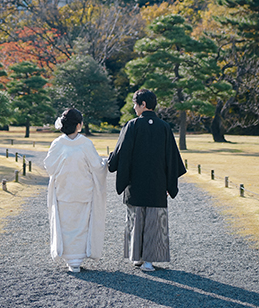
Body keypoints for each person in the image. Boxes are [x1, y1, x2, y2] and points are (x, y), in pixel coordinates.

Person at [107, 89, 186, 272]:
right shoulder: (165, 127)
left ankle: (137, 258)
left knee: (135, 219)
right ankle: (149, 261)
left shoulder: (132, 125)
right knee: (154, 221)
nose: (135, 108)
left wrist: (111, 162)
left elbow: (121, 153)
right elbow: (172, 158)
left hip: (135, 183)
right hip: (158, 183)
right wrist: (169, 184)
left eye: (136, 104)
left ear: (143, 105)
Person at [43, 108, 107, 273]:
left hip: (64, 191)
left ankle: (71, 259)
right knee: (81, 226)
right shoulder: (85, 143)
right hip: (83, 190)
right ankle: (76, 259)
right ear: (78, 125)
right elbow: (97, 166)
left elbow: (49, 166)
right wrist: (107, 163)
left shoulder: (58, 143)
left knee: (66, 225)